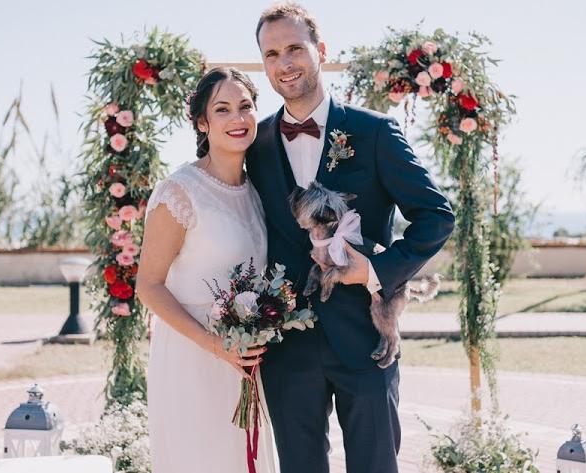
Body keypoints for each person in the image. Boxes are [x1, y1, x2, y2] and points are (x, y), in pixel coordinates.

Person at [246, 4, 455, 473]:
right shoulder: (253, 145)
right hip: (286, 345)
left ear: (321, 51)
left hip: (365, 338)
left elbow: (436, 216)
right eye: (272, 53)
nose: (285, 63)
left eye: (295, 48)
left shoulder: (374, 131)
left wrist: (376, 270)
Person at [136, 67, 279, 473]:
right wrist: (215, 345)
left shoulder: (257, 191)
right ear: (203, 122)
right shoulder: (180, 191)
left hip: (247, 361)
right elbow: (148, 285)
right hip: (192, 358)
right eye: (223, 109)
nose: (237, 118)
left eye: (245, 107)